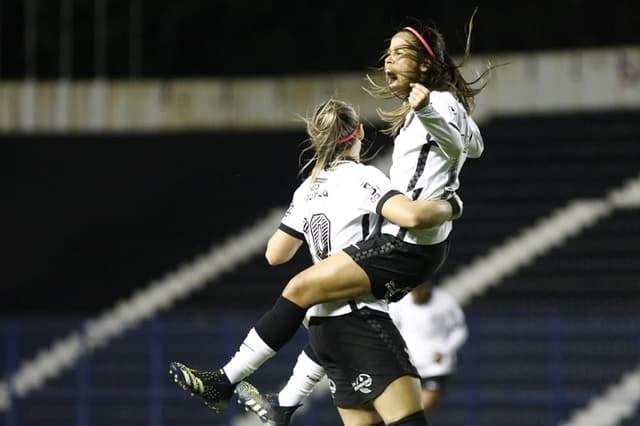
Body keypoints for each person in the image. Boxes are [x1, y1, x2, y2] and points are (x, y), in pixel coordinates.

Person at [170, 15, 488, 424]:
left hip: (406, 244)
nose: (388, 60)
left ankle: (231, 382)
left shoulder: (430, 108)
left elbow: (277, 253)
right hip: (383, 279)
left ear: (425, 65)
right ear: (355, 135)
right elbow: (472, 146)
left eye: (399, 53)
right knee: (317, 304)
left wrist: (444, 195)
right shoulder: (435, 115)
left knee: (303, 288)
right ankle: (279, 404)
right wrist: (450, 201)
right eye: (387, 53)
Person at [237, 283, 468, 424]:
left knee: (411, 417)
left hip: (431, 366)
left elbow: (459, 328)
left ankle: (283, 404)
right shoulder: (402, 302)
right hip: (391, 356)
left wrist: (445, 350)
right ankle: (283, 404)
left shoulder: (444, 302)